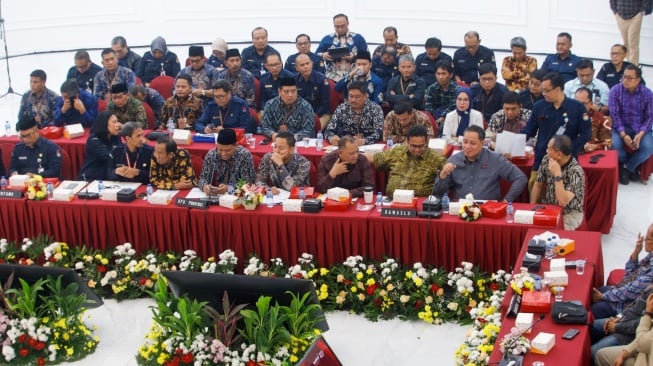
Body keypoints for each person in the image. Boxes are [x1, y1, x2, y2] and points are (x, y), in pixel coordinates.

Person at [521, 72, 591, 188]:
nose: (543, 94)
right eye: (542, 90)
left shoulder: (577, 108)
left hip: (567, 160)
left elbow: (586, 133)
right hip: (542, 158)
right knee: (535, 189)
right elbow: (529, 130)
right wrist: (512, 144)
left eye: (546, 91)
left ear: (558, 89)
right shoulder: (539, 106)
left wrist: (568, 149)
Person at [434, 125, 527, 202]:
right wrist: (442, 176)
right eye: (465, 142)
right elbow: (438, 193)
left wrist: (506, 201)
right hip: (460, 209)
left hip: (488, 210)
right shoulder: (454, 159)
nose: (467, 146)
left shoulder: (495, 159)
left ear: (482, 143)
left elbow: (521, 178)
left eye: (472, 143)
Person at [591, 223, 653, 320]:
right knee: (600, 289)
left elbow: (631, 291)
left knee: (595, 309)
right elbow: (628, 276)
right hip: (623, 291)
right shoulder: (651, 256)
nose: (644, 240)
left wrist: (603, 297)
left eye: (648, 239)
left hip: (627, 307)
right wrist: (636, 252)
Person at [369, 125, 446, 198]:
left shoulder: (435, 158)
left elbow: (447, 179)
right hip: (392, 201)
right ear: (407, 141)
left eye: (421, 146)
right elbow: (376, 158)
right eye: (414, 146)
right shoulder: (397, 151)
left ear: (426, 142)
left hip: (419, 203)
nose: (417, 150)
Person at [609, 64, 653, 185]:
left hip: (641, 127)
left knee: (649, 147)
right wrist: (623, 135)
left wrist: (641, 134)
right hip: (621, 127)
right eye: (624, 77)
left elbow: (650, 117)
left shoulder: (648, 93)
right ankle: (627, 166)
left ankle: (629, 167)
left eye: (630, 78)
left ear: (638, 80)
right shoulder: (615, 91)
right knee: (614, 145)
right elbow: (615, 115)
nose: (625, 80)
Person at [530, 135, 585, 230]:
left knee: (553, 236)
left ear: (559, 154)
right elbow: (538, 184)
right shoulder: (547, 159)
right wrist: (532, 208)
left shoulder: (576, 171)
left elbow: (562, 202)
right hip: (549, 208)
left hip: (569, 213)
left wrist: (557, 175)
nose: (546, 151)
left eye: (549, 149)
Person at [590, 286, 653, 361]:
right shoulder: (650, 288)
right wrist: (619, 317)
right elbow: (633, 306)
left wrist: (617, 327)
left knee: (592, 352)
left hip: (631, 336)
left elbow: (641, 325)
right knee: (589, 326)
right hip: (622, 321)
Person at [198, 128, 256, 195]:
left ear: (236, 145)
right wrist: (204, 187)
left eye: (227, 150)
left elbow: (249, 183)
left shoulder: (244, 155)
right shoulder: (211, 154)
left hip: (237, 196)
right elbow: (202, 179)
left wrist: (228, 188)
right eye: (220, 150)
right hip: (216, 195)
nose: (223, 154)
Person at [326, 81, 384, 146]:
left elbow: (379, 133)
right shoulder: (342, 108)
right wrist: (331, 138)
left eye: (357, 97)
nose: (353, 100)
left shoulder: (375, 109)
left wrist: (364, 141)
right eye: (351, 96)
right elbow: (329, 130)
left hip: (368, 146)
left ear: (365, 96)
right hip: (346, 146)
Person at [316, 13, 368, 82]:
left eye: (342, 26)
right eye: (337, 27)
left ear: (348, 23)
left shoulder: (358, 38)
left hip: (354, 75)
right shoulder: (327, 38)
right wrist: (323, 55)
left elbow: (367, 55)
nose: (340, 29)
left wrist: (354, 55)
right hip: (332, 76)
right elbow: (316, 55)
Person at [77, 111, 122, 180]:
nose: (118, 125)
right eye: (114, 122)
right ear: (104, 124)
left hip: (109, 176)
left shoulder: (116, 137)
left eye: (117, 121)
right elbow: (108, 157)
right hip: (91, 178)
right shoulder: (94, 139)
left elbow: (120, 154)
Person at [294, 54, 331, 130]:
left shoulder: (322, 80)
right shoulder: (294, 80)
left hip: (320, 113)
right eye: (302, 65)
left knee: (312, 129)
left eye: (307, 63)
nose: (305, 67)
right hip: (300, 114)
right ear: (297, 68)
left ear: (312, 63)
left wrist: (311, 116)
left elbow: (325, 105)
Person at [610, 0, 652, 65]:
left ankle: (633, 68)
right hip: (620, 15)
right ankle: (626, 67)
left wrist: (642, 11)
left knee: (633, 44)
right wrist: (615, 11)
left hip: (635, 16)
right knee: (626, 44)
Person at [574, 87, 612, 153]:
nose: (578, 106)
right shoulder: (567, 116)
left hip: (592, 154)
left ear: (591, 104)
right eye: (576, 102)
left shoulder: (600, 119)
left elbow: (608, 143)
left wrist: (595, 146)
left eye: (583, 104)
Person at [424, 60, 457, 133]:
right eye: (438, 74)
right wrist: (433, 119)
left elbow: (453, 107)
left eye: (443, 73)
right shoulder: (431, 88)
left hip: (450, 118)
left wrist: (442, 117)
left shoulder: (457, 89)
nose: (441, 77)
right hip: (433, 117)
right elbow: (428, 107)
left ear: (450, 75)